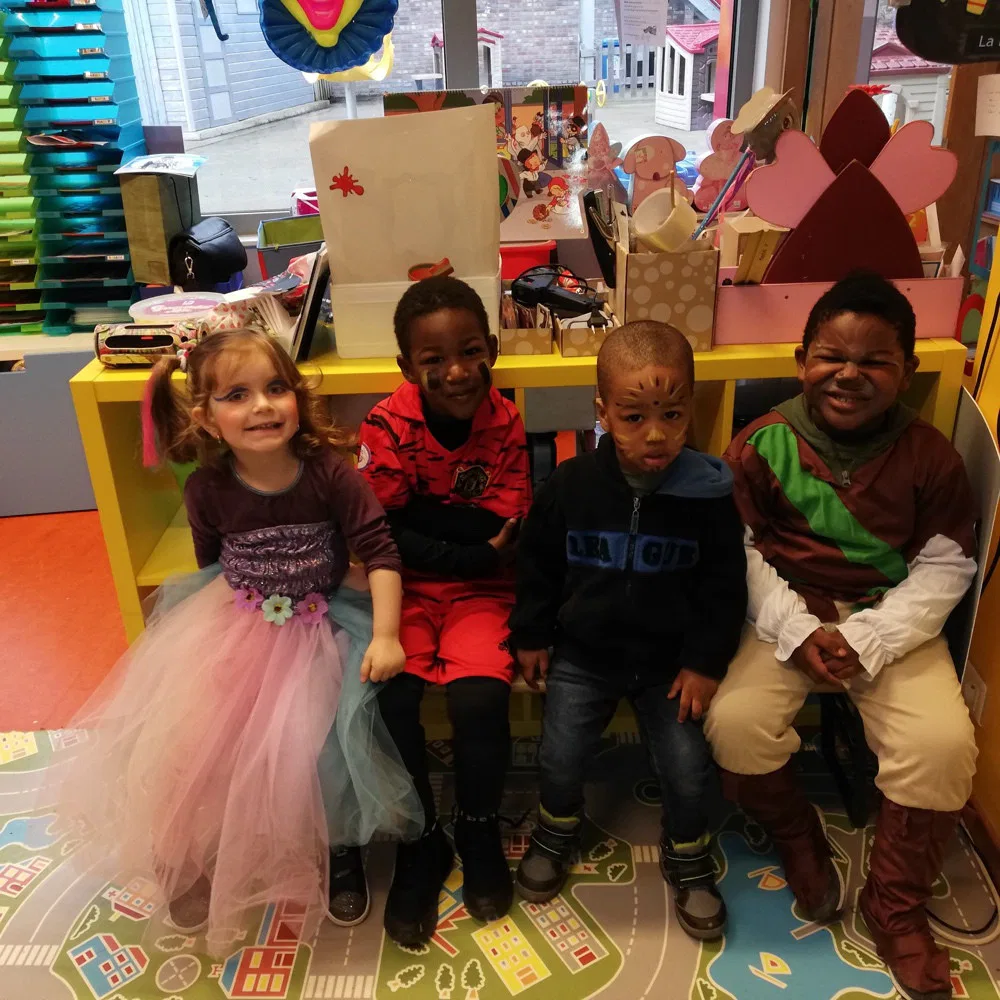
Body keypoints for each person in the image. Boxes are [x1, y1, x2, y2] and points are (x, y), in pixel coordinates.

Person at [53, 329, 422, 953]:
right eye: (237, 395)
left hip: (325, 623)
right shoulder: (206, 488)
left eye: (276, 388)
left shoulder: (331, 475)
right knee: (196, 737)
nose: (262, 406)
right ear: (206, 417)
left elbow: (381, 553)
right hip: (239, 623)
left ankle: (341, 850)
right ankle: (194, 852)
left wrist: (385, 634)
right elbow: (212, 566)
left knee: (325, 747)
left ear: (298, 397)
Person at [705, 273, 978, 1000]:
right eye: (832, 356)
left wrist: (871, 638)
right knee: (735, 724)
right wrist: (797, 630)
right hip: (785, 613)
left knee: (943, 745)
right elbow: (738, 551)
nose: (849, 375)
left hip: (891, 619)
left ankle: (895, 908)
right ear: (803, 362)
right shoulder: (762, 443)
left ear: (906, 372)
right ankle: (798, 837)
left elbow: (946, 565)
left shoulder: (930, 455)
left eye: (874, 361)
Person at [509, 322, 747, 940]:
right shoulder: (571, 485)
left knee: (688, 766)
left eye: (672, 414)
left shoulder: (709, 495)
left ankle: (687, 851)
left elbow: (725, 588)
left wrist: (705, 662)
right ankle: (556, 829)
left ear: (691, 409)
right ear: (602, 412)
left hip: (671, 661)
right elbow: (537, 565)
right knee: (559, 753)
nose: (656, 434)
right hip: (584, 654)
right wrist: (531, 634)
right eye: (634, 417)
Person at [353, 276, 532, 946]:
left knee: (480, 700)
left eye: (470, 352)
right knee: (392, 695)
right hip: (399, 587)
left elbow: (502, 523)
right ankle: (421, 836)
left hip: (484, 590)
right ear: (407, 367)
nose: (456, 372)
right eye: (434, 360)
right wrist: (467, 546)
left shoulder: (505, 421)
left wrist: (426, 520)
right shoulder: (385, 423)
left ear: (492, 351)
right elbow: (382, 530)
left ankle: (476, 825)